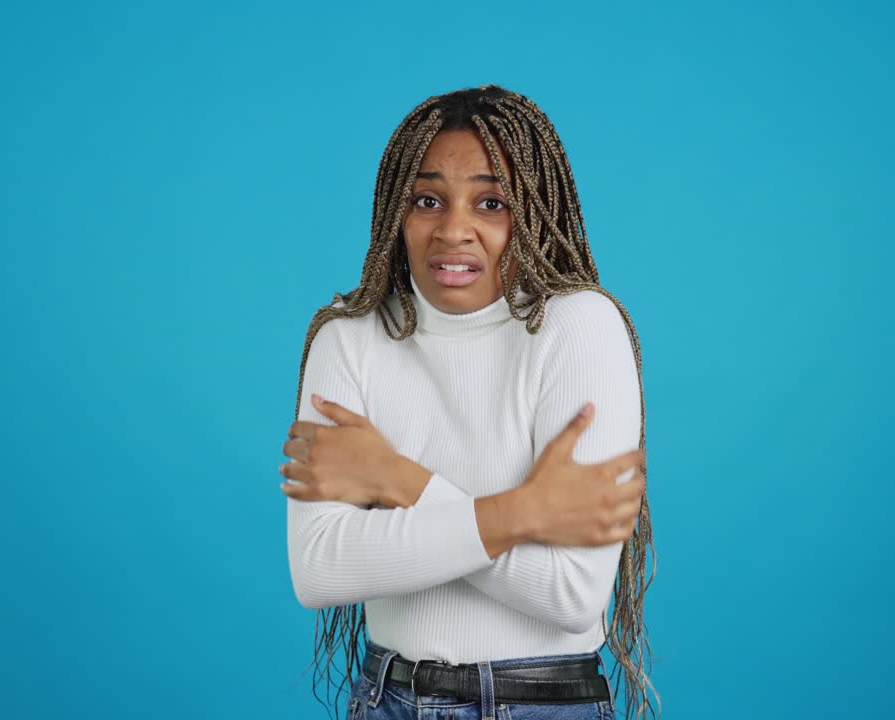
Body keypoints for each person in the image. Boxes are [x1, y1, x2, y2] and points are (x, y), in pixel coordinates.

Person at [278, 85, 656, 720]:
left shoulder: (581, 327)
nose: (454, 230)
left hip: (544, 703)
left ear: (533, 213)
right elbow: (321, 570)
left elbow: (572, 594)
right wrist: (522, 513)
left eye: (491, 202)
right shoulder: (348, 338)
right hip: (390, 700)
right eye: (428, 200)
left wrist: (396, 480)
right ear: (396, 213)